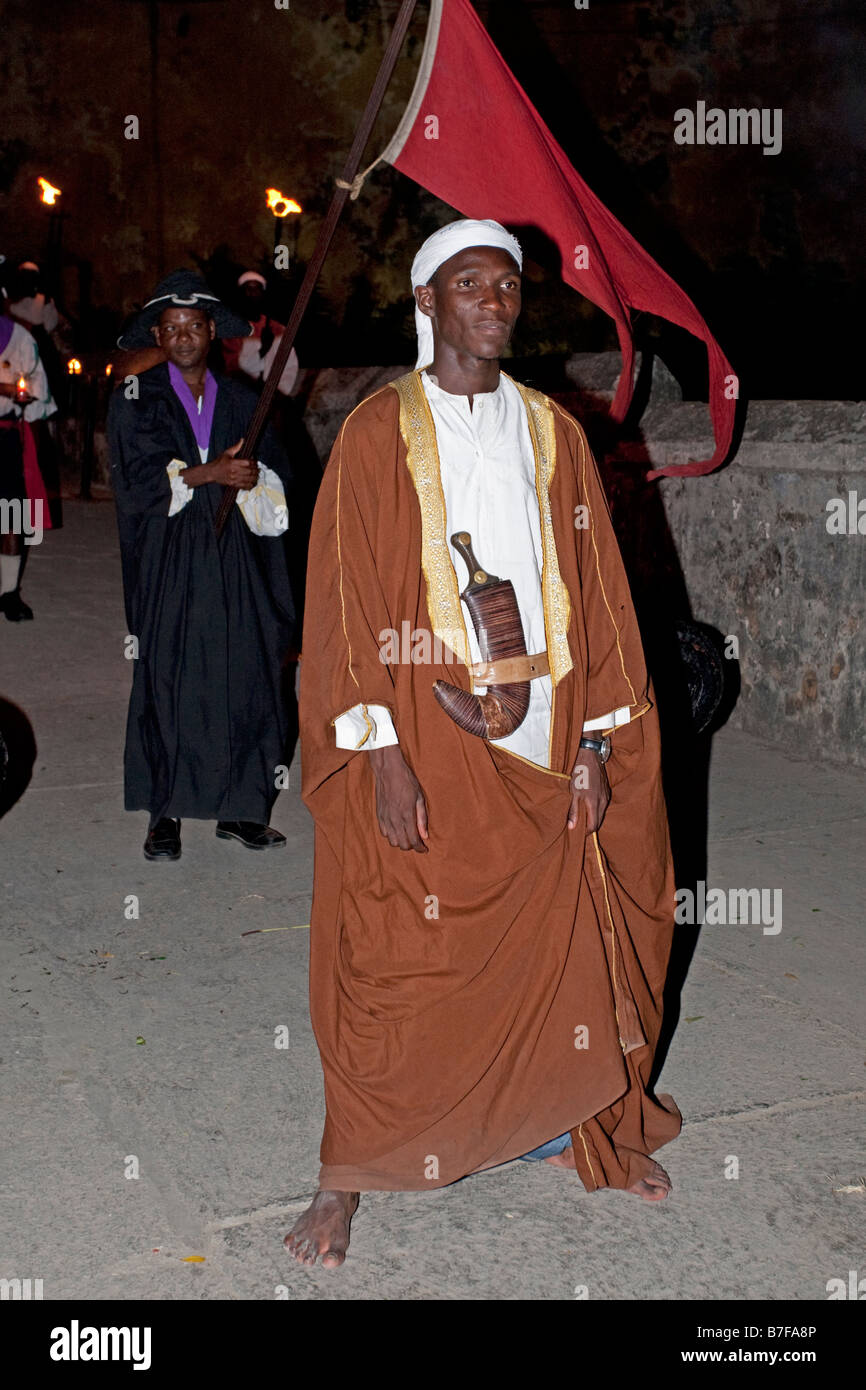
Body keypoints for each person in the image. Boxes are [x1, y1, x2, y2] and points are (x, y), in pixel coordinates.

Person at [285, 218, 681, 1269]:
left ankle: (578, 1123)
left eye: (506, 286)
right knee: (387, 944)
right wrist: (378, 751)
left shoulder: (553, 432)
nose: (494, 302)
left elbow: (597, 598)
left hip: (547, 727)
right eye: (470, 285)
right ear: (427, 303)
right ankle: (350, 1171)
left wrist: (596, 740)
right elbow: (343, 608)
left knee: (565, 936)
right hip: (421, 724)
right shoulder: (377, 433)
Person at [108, 270, 295, 861]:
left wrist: (253, 476)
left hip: (236, 558)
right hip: (170, 560)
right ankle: (164, 814)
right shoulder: (137, 399)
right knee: (169, 676)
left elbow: (279, 483)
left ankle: (242, 808)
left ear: (214, 332)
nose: (184, 336)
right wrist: (208, 473)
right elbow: (135, 481)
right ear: (158, 336)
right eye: (171, 328)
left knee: (248, 673)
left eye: (194, 325)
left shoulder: (246, 401)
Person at [0, 260, 56, 621]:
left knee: (10, 516)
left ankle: (7, 593)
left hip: (5, 436)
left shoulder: (20, 338)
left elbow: (37, 384)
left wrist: (25, 398)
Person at [222, 270, 299, 398]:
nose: (252, 294)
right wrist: (262, 350)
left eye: (256, 289)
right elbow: (232, 368)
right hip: (241, 395)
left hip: (273, 397)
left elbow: (290, 365)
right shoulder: (232, 328)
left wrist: (279, 392)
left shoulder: (278, 328)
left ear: (262, 294)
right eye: (247, 289)